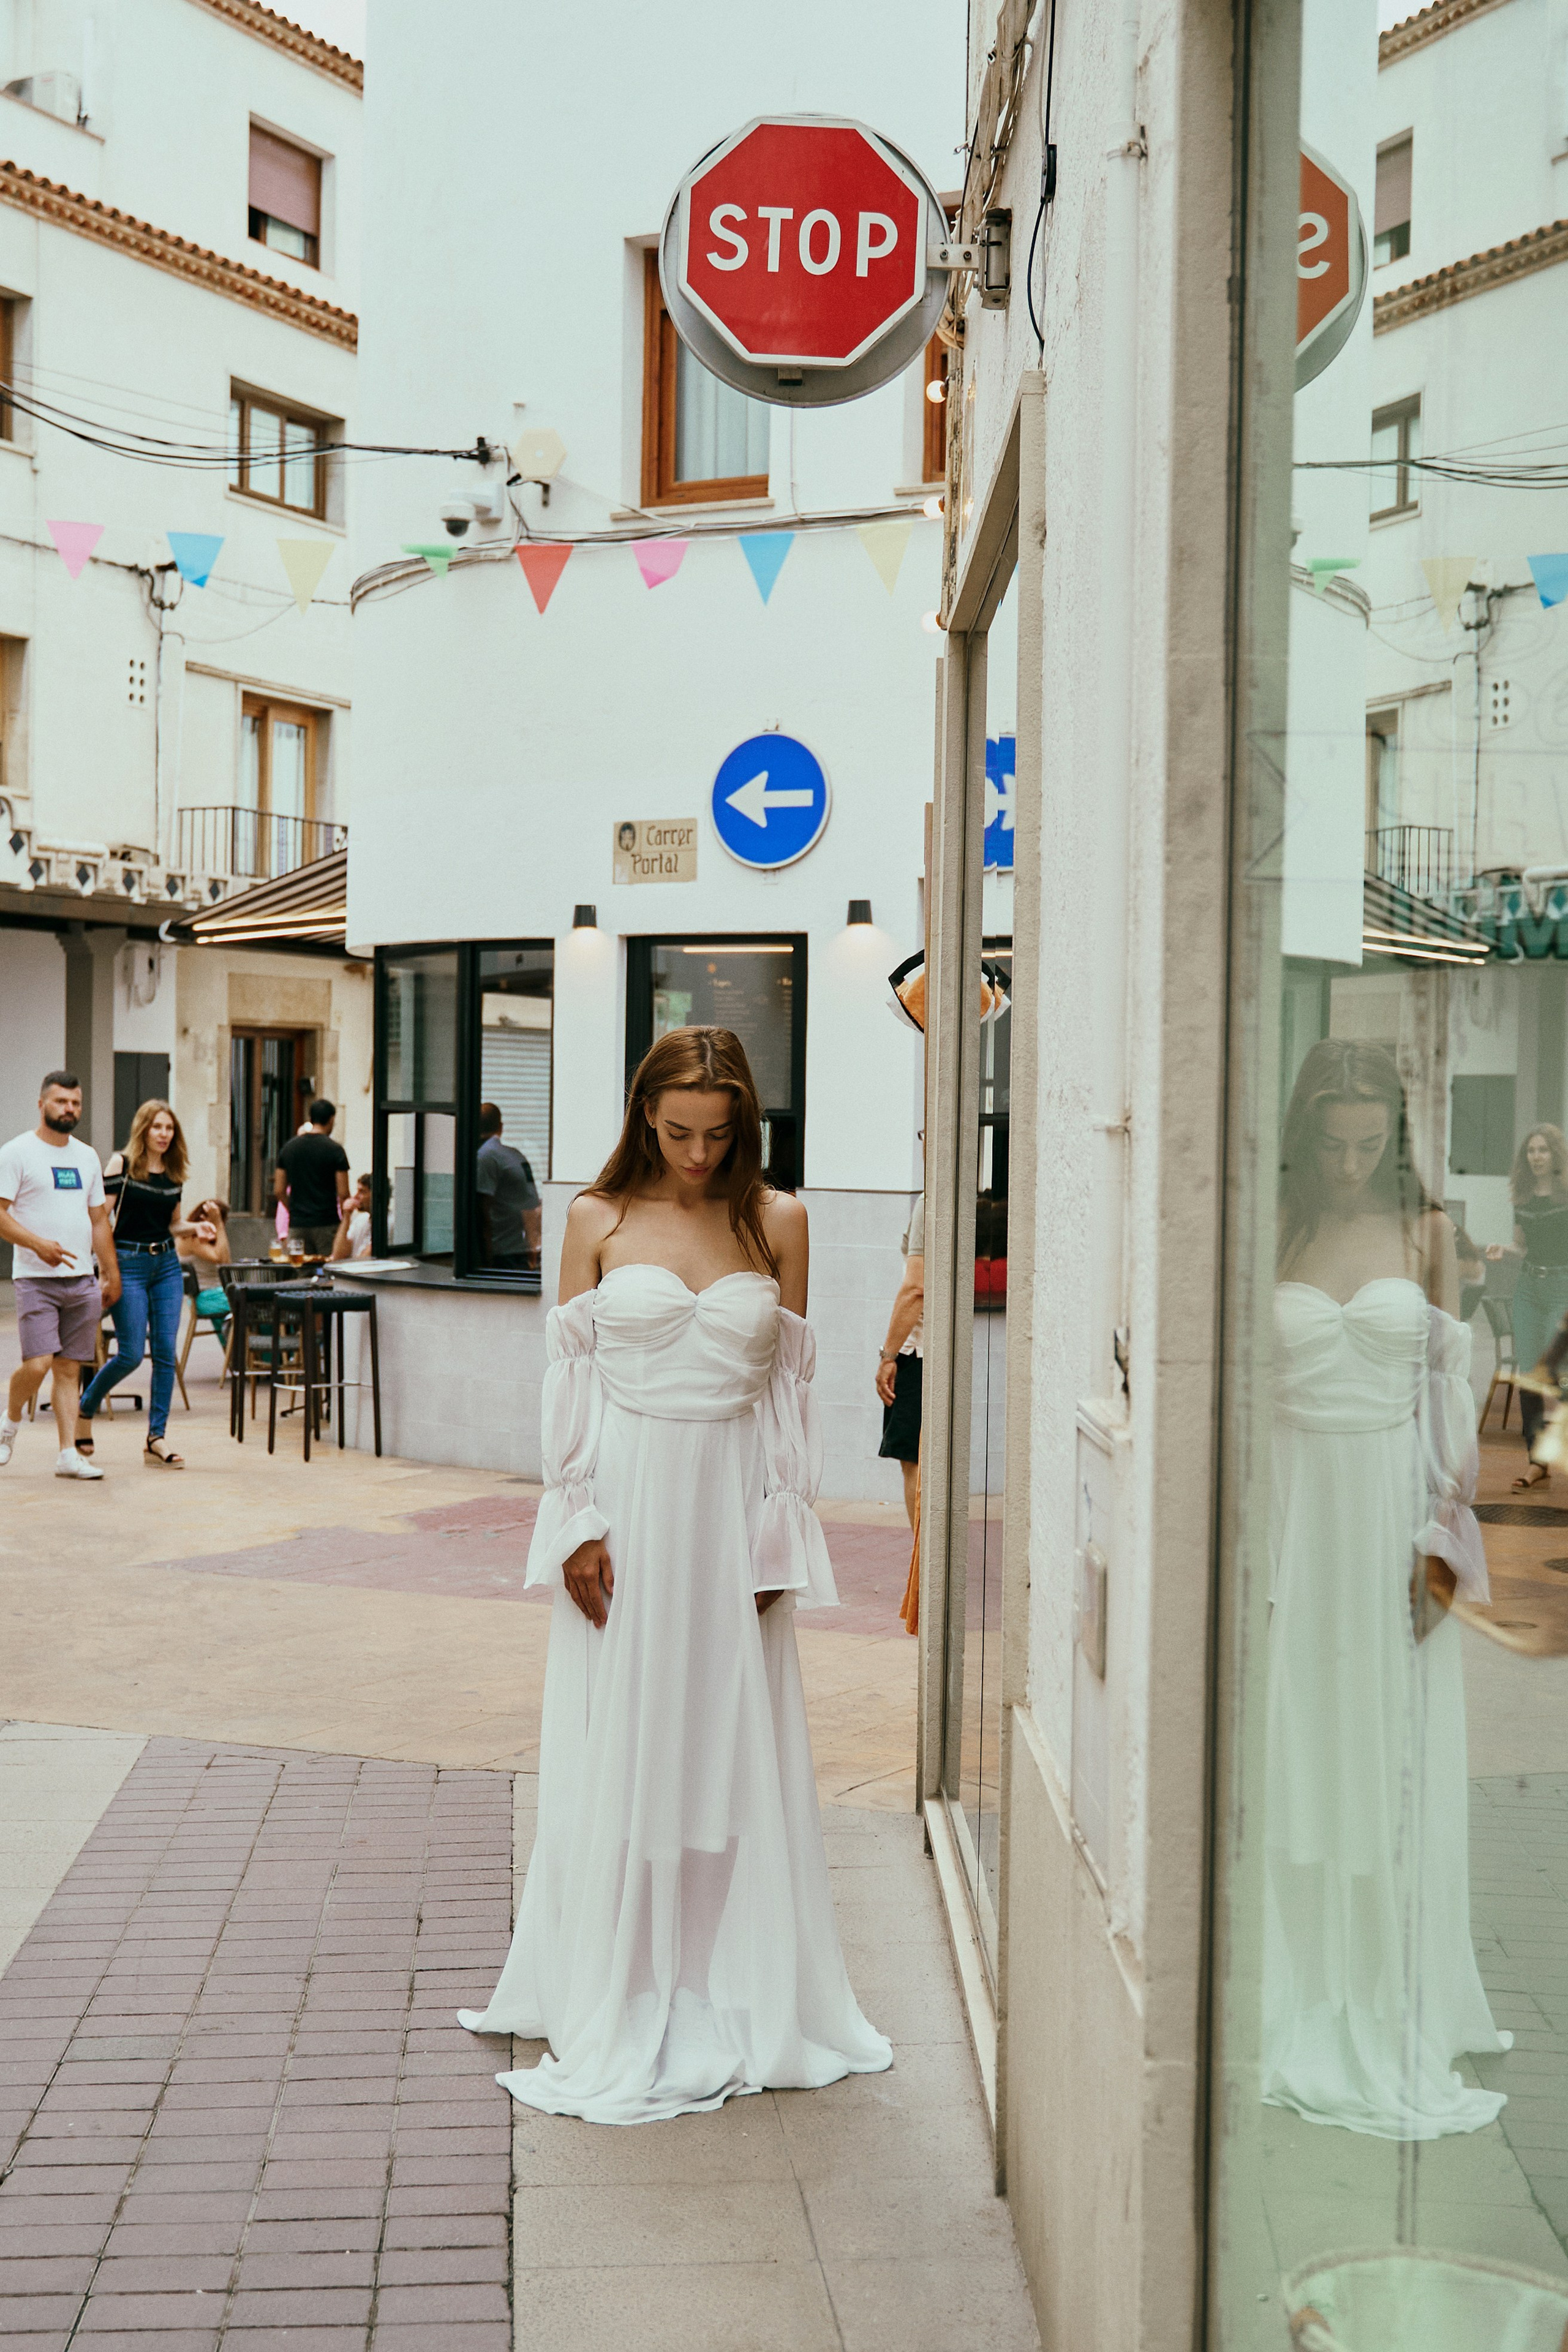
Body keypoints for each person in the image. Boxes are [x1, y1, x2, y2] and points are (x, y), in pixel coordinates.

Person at [458, 1025, 891, 2123]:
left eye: (720, 1131)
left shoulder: (779, 1217)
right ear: (645, 1115)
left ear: (748, 1122)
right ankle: (626, 1979)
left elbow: (793, 1390)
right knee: (628, 1739)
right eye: (678, 1130)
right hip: (630, 1507)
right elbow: (567, 1382)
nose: (699, 1153)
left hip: (732, 1511)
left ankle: (715, 1981)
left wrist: (779, 1534)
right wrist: (578, 1523)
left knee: (723, 1745)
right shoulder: (595, 1220)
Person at [1265, 1038, 1507, 2138]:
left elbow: (1453, 1393)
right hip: (1297, 1516)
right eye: (1335, 1141)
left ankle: (1387, 1981)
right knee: (1305, 1750)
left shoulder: (1428, 1232)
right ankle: (1304, 1979)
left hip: (1389, 1521)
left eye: (1372, 1142)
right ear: (1306, 1136)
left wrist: (1441, 1538)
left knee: (1388, 1752)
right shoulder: (1278, 1228)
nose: (1354, 1161)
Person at [77, 1101, 217, 1469]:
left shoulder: (173, 1172)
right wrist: (108, 1270)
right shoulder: (121, 1164)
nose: (164, 1134)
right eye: (157, 1127)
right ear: (144, 1129)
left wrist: (195, 1228)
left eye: (169, 1128)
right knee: (131, 1354)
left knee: (166, 1354)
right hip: (129, 1263)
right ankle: (85, 1408)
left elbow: (172, 1224)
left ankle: (156, 1437)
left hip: (167, 1265)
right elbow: (99, 1219)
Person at [0, 1070, 120, 1479]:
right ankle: (9, 1419)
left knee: (70, 1369)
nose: (69, 1109)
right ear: (41, 1104)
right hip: (35, 1279)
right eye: (60, 1102)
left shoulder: (86, 1156)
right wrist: (38, 1245)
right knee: (38, 1365)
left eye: (75, 1104)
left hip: (82, 1281)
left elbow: (99, 1219)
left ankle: (68, 1454)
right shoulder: (17, 1153)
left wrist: (109, 1271)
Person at [1483, 1123, 1568, 1490]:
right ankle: (1537, 1461)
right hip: (1529, 1289)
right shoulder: (1523, 1196)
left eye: (1543, 1150)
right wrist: (1505, 1251)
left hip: (1562, 1288)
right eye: (1531, 1151)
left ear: (1556, 1155)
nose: (1536, 1156)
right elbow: (1522, 1247)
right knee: (1529, 1379)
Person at [876, 1190, 924, 1528]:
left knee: (916, 1463)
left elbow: (916, 1288)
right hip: (932, 1354)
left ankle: (924, 1572)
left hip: (917, 1354)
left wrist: (888, 1356)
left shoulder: (931, 1199)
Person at [274, 1098, 350, 1256]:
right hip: (327, 1222)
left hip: (298, 1224)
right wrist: (344, 1220)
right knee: (329, 1271)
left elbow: (279, 1190)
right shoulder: (335, 1150)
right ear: (331, 1120)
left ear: (311, 1118)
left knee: (300, 1271)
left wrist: (293, 1209)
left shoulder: (289, 1149)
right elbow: (343, 1193)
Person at [475, 1103, 541, 1269]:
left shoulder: (485, 1157)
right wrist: (532, 1248)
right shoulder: (516, 1156)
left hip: (501, 1254)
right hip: (519, 1250)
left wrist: (487, 1260)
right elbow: (532, 1207)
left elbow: (482, 1211)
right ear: (501, 1128)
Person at [330, 1174, 374, 1262]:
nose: (355, 1197)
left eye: (362, 1192)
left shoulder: (389, 1223)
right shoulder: (361, 1220)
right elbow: (338, 1255)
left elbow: (365, 1260)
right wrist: (346, 1217)